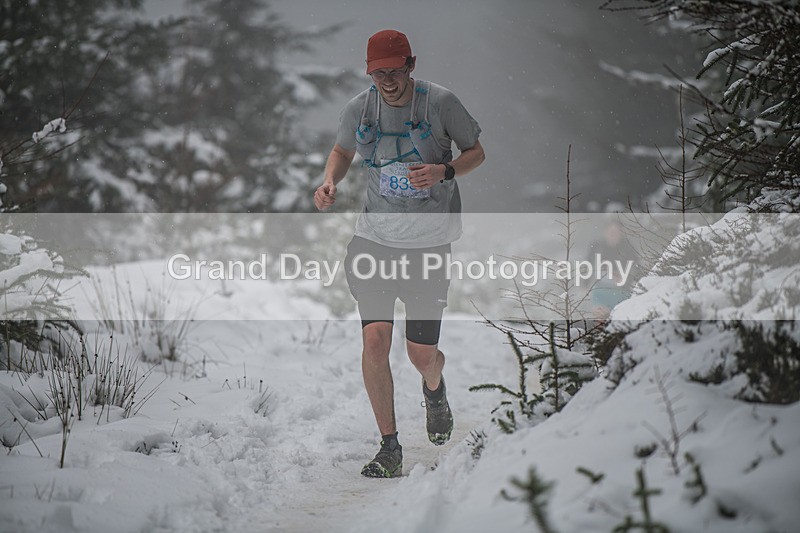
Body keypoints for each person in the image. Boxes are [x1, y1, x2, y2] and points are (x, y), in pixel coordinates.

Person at [313, 29, 485, 478]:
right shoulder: (360, 107)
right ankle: (390, 447)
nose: (387, 81)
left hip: (428, 245)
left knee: (420, 354)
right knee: (374, 341)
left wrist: (444, 169)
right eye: (378, 73)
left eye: (394, 70)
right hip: (374, 240)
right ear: (369, 72)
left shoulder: (440, 103)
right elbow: (341, 150)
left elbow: (476, 153)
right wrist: (331, 180)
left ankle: (434, 388)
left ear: (411, 64)